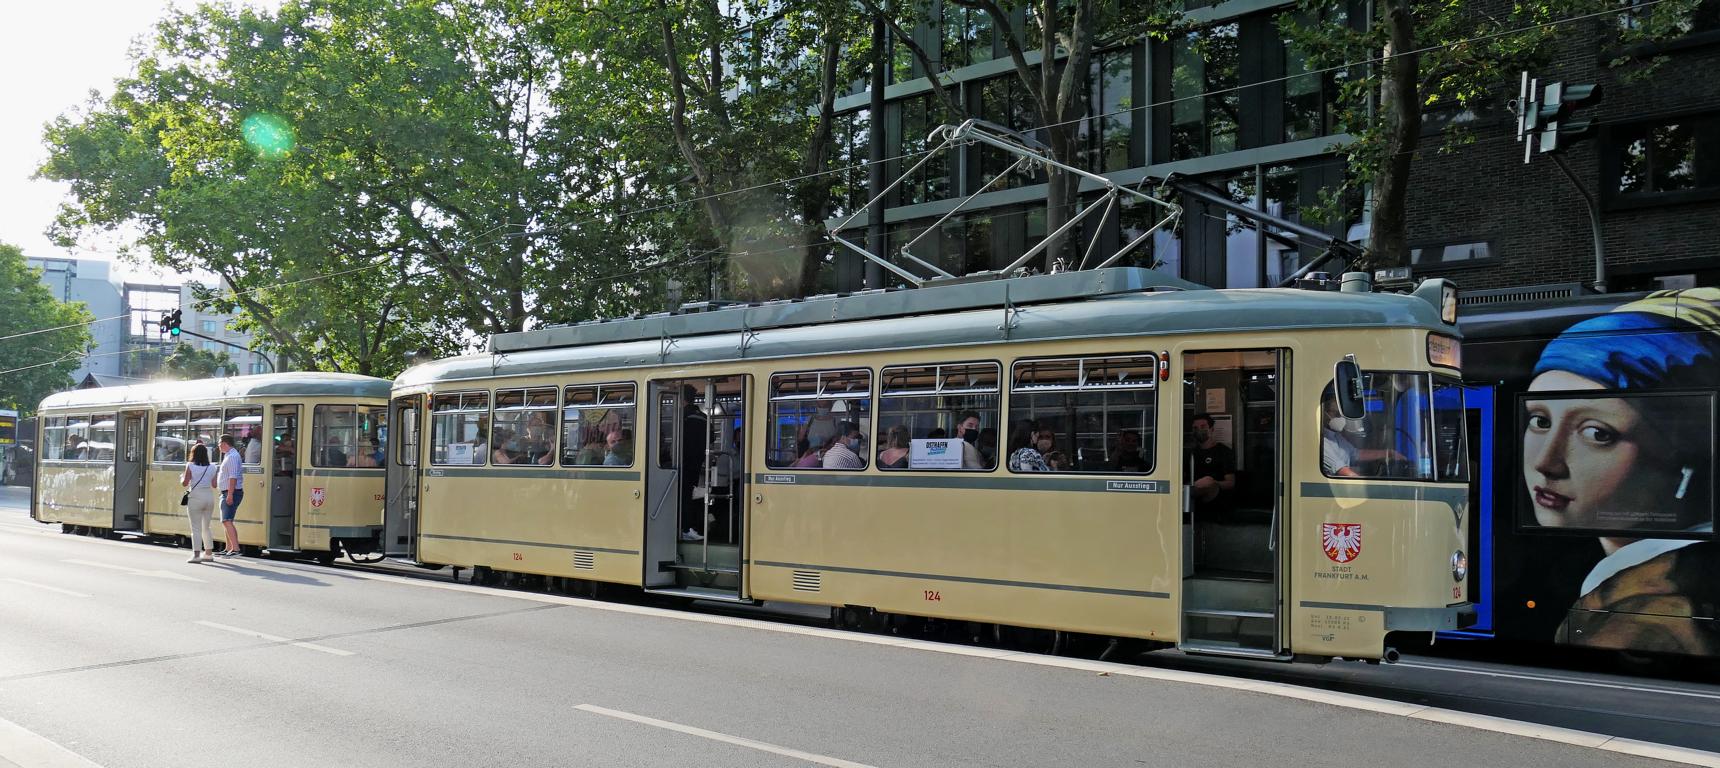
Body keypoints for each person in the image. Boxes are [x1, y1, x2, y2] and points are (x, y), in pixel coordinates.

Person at [1519, 288, 1720, 654]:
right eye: (1540, 421)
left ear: (1688, 455)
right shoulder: (1621, 577)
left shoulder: (1647, 610)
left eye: (1597, 433)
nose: (1546, 462)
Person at [1320, 391, 1402, 477]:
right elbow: (1344, 471)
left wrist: (1388, 454)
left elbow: (1356, 454)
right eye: (1336, 413)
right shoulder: (1323, 442)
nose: (1341, 418)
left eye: (1341, 414)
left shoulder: (1336, 436)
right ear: (1324, 413)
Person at [1188, 413, 1236, 515]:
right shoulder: (1190, 453)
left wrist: (1213, 482)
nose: (1199, 430)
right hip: (1191, 499)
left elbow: (1230, 482)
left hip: (1215, 500)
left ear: (1211, 429)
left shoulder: (1223, 452)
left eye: (1203, 427)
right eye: (1195, 428)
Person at [180, 443, 218, 563]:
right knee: (206, 527)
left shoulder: (190, 466)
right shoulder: (213, 467)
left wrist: (181, 477)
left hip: (196, 497)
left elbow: (185, 483)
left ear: (193, 454)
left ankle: (196, 555)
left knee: (196, 528)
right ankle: (208, 554)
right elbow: (214, 485)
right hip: (209, 497)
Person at [215, 434, 244, 557]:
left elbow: (233, 477)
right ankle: (228, 548)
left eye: (219, 443)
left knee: (227, 520)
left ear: (225, 443)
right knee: (226, 521)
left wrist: (230, 494)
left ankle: (235, 549)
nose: (218, 446)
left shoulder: (232, 457)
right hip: (227, 491)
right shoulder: (229, 455)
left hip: (230, 492)